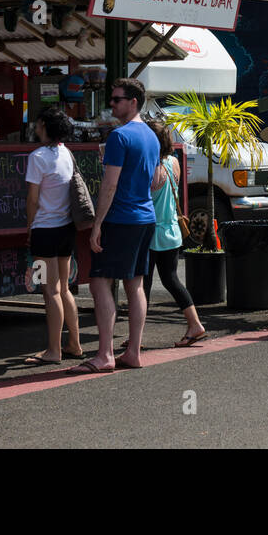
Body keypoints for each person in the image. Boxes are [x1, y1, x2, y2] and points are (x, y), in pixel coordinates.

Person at [73, 77, 158, 373]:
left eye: (117, 99)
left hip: (121, 219)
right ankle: (133, 351)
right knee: (134, 284)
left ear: (132, 102)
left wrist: (97, 224)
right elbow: (156, 180)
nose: (111, 104)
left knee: (99, 281)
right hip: (145, 218)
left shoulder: (120, 137)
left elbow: (109, 186)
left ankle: (105, 354)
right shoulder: (151, 135)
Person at [21, 106, 85, 365]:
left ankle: (53, 350)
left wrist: (28, 228)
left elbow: (32, 199)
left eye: (37, 124)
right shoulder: (66, 152)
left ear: (45, 126)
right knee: (64, 288)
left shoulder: (37, 157)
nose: (35, 128)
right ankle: (75, 344)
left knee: (49, 292)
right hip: (66, 229)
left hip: (44, 231)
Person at [141, 117, 206, 347]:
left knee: (143, 284)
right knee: (171, 279)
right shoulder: (173, 163)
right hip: (171, 230)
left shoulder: (152, 167)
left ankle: (135, 337)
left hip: (151, 231)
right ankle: (195, 323)